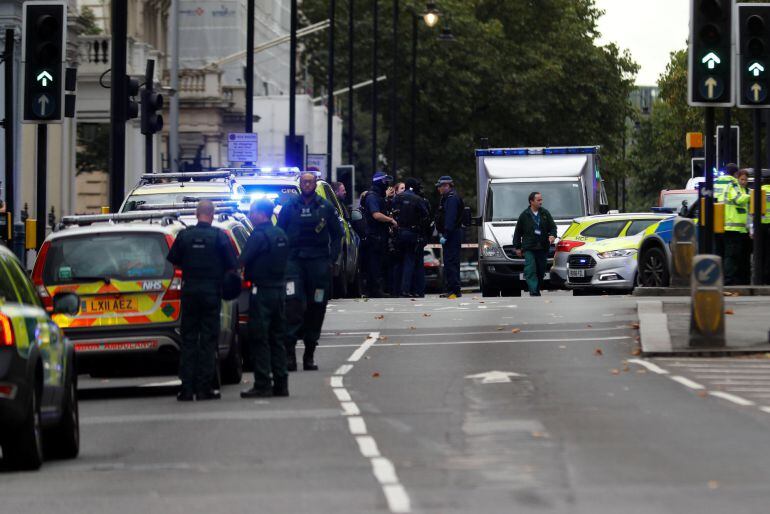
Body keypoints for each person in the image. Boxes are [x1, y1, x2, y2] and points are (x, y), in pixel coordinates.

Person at [167, 200, 238, 401]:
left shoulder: (185, 235)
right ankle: (204, 387)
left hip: (190, 292)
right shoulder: (219, 237)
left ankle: (187, 388)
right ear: (212, 214)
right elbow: (232, 265)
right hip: (211, 293)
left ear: (197, 214)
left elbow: (174, 259)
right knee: (208, 340)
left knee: (188, 340)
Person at [277, 172, 344, 371]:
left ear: (315, 184)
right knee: (292, 305)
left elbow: (337, 235)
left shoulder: (325, 207)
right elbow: (280, 232)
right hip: (294, 263)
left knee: (317, 305)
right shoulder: (289, 207)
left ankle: (309, 354)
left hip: (318, 264)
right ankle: (290, 353)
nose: (307, 184)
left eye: (310, 182)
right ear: (300, 184)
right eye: (304, 182)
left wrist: (331, 260)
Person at [239, 199, 290, 398]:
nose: (250, 216)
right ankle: (281, 383)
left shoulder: (258, 236)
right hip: (279, 291)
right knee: (277, 338)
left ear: (261, 214)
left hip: (261, 292)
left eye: (252, 212)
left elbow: (243, 259)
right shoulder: (281, 234)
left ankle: (262, 383)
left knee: (260, 338)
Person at [512, 192, 558, 297]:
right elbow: (518, 232)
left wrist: (552, 235)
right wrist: (518, 247)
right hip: (529, 248)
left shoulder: (545, 213)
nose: (541, 202)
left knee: (541, 270)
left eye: (541, 200)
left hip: (542, 247)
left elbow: (553, 227)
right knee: (530, 269)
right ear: (531, 201)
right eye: (538, 200)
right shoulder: (524, 215)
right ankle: (533, 290)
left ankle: (536, 289)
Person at [392, 178, 430, 297]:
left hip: (398, 233)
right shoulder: (418, 199)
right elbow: (426, 217)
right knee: (410, 261)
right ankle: (407, 289)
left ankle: (396, 289)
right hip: (412, 233)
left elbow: (392, 212)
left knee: (398, 262)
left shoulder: (397, 198)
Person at [363, 172, 397, 297]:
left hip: (379, 236)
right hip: (374, 236)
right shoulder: (372, 197)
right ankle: (375, 290)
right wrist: (390, 220)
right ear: (380, 182)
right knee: (374, 264)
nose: (387, 184)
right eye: (385, 182)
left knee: (378, 263)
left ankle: (377, 289)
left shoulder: (378, 196)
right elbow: (376, 215)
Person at [435, 176, 464, 298]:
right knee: (451, 262)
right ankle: (453, 289)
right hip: (452, 234)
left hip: (451, 234)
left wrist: (445, 234)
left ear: (447, 185)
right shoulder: (447, 198)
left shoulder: (451, 199)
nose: (439, 188)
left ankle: (453, 289)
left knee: (450, 262)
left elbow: (450, 219)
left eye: (440, 186)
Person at [721, 169, 750, 285]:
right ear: (737, 178)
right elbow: (738, 199)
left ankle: (735, 279)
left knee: (738, 256)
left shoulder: (743, 189)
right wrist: (751, 195)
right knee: (731, 255)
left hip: (740, 229)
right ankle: (728, 280)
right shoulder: (733, 186)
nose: (744, 182)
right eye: (742, 179)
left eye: (746, 180)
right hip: (731, 228)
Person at [714, 163, 740, 258]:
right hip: (729, 222)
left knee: (718, 251)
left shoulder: (717, 182)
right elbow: (738, 198)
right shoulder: (733, 183)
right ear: (736, 174)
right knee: (729, 253)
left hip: (717, 223)